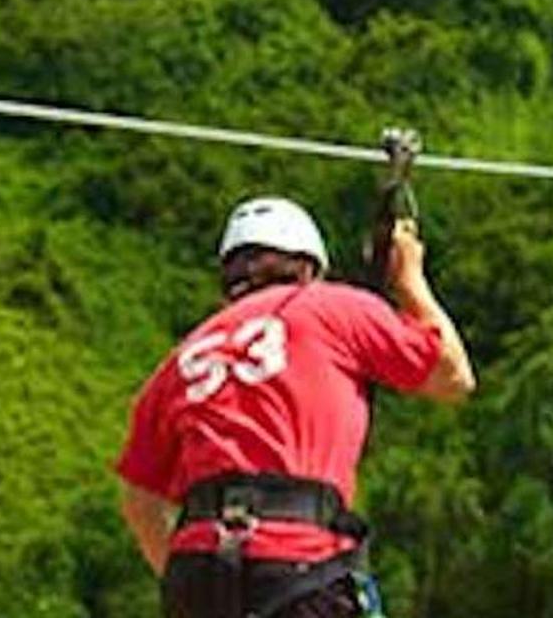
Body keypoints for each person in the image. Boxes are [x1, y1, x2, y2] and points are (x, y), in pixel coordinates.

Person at [114, 197, 475, 618]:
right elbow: (453, 377)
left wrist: (194, 583)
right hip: (300, 563)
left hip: (197, 572)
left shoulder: (182, 359)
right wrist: (409, 280)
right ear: (308, 267)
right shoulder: (333, 307)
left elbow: (139, 501)